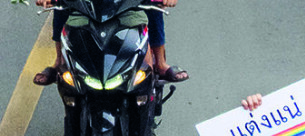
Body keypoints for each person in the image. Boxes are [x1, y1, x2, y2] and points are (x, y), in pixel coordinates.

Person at [33, 0, 188, 86]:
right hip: (86, 10)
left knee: (145, 64)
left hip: (127, 9)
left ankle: (160, 64)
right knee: (61, 10)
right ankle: (59, 61)